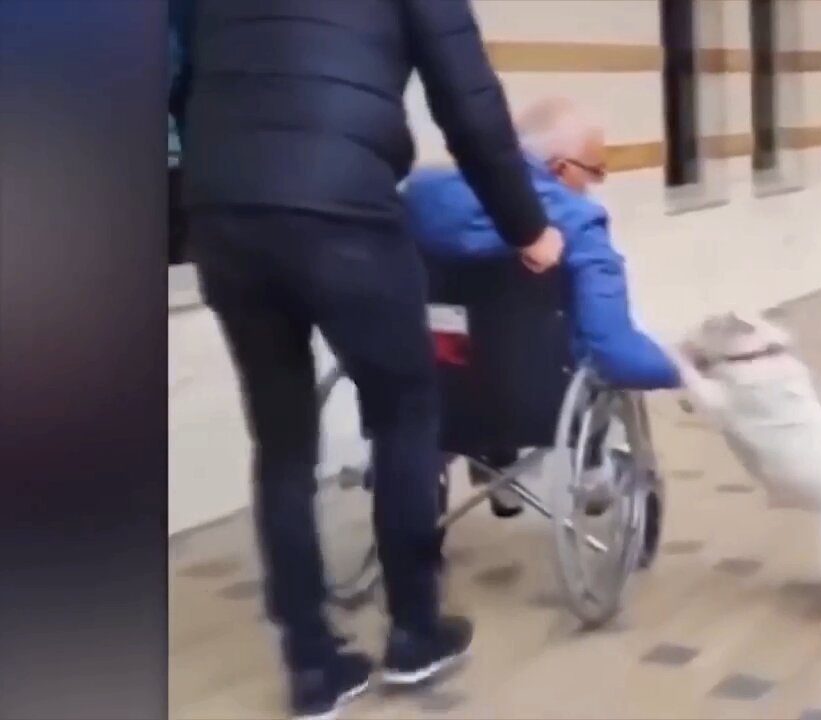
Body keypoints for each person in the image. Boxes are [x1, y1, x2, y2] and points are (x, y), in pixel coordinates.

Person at [176, 1, 565, 718]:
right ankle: (417, 631)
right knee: (406, 414)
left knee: (282, 440)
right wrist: (527, 225)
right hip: (343, 205)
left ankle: (311, 666)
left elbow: (173, 74)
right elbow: (469, 101)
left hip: (224, 210)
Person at [402, 97, 681, 516]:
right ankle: (590, 471)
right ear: (560, 169)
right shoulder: (580, 222)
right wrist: (688, 368)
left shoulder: (418, 197)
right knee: (590, 355)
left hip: (434, 385)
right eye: (595, 171)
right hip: (538, 396)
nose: (594, 185)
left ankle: (493, 463)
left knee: (470, 339)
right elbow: (616, 352)